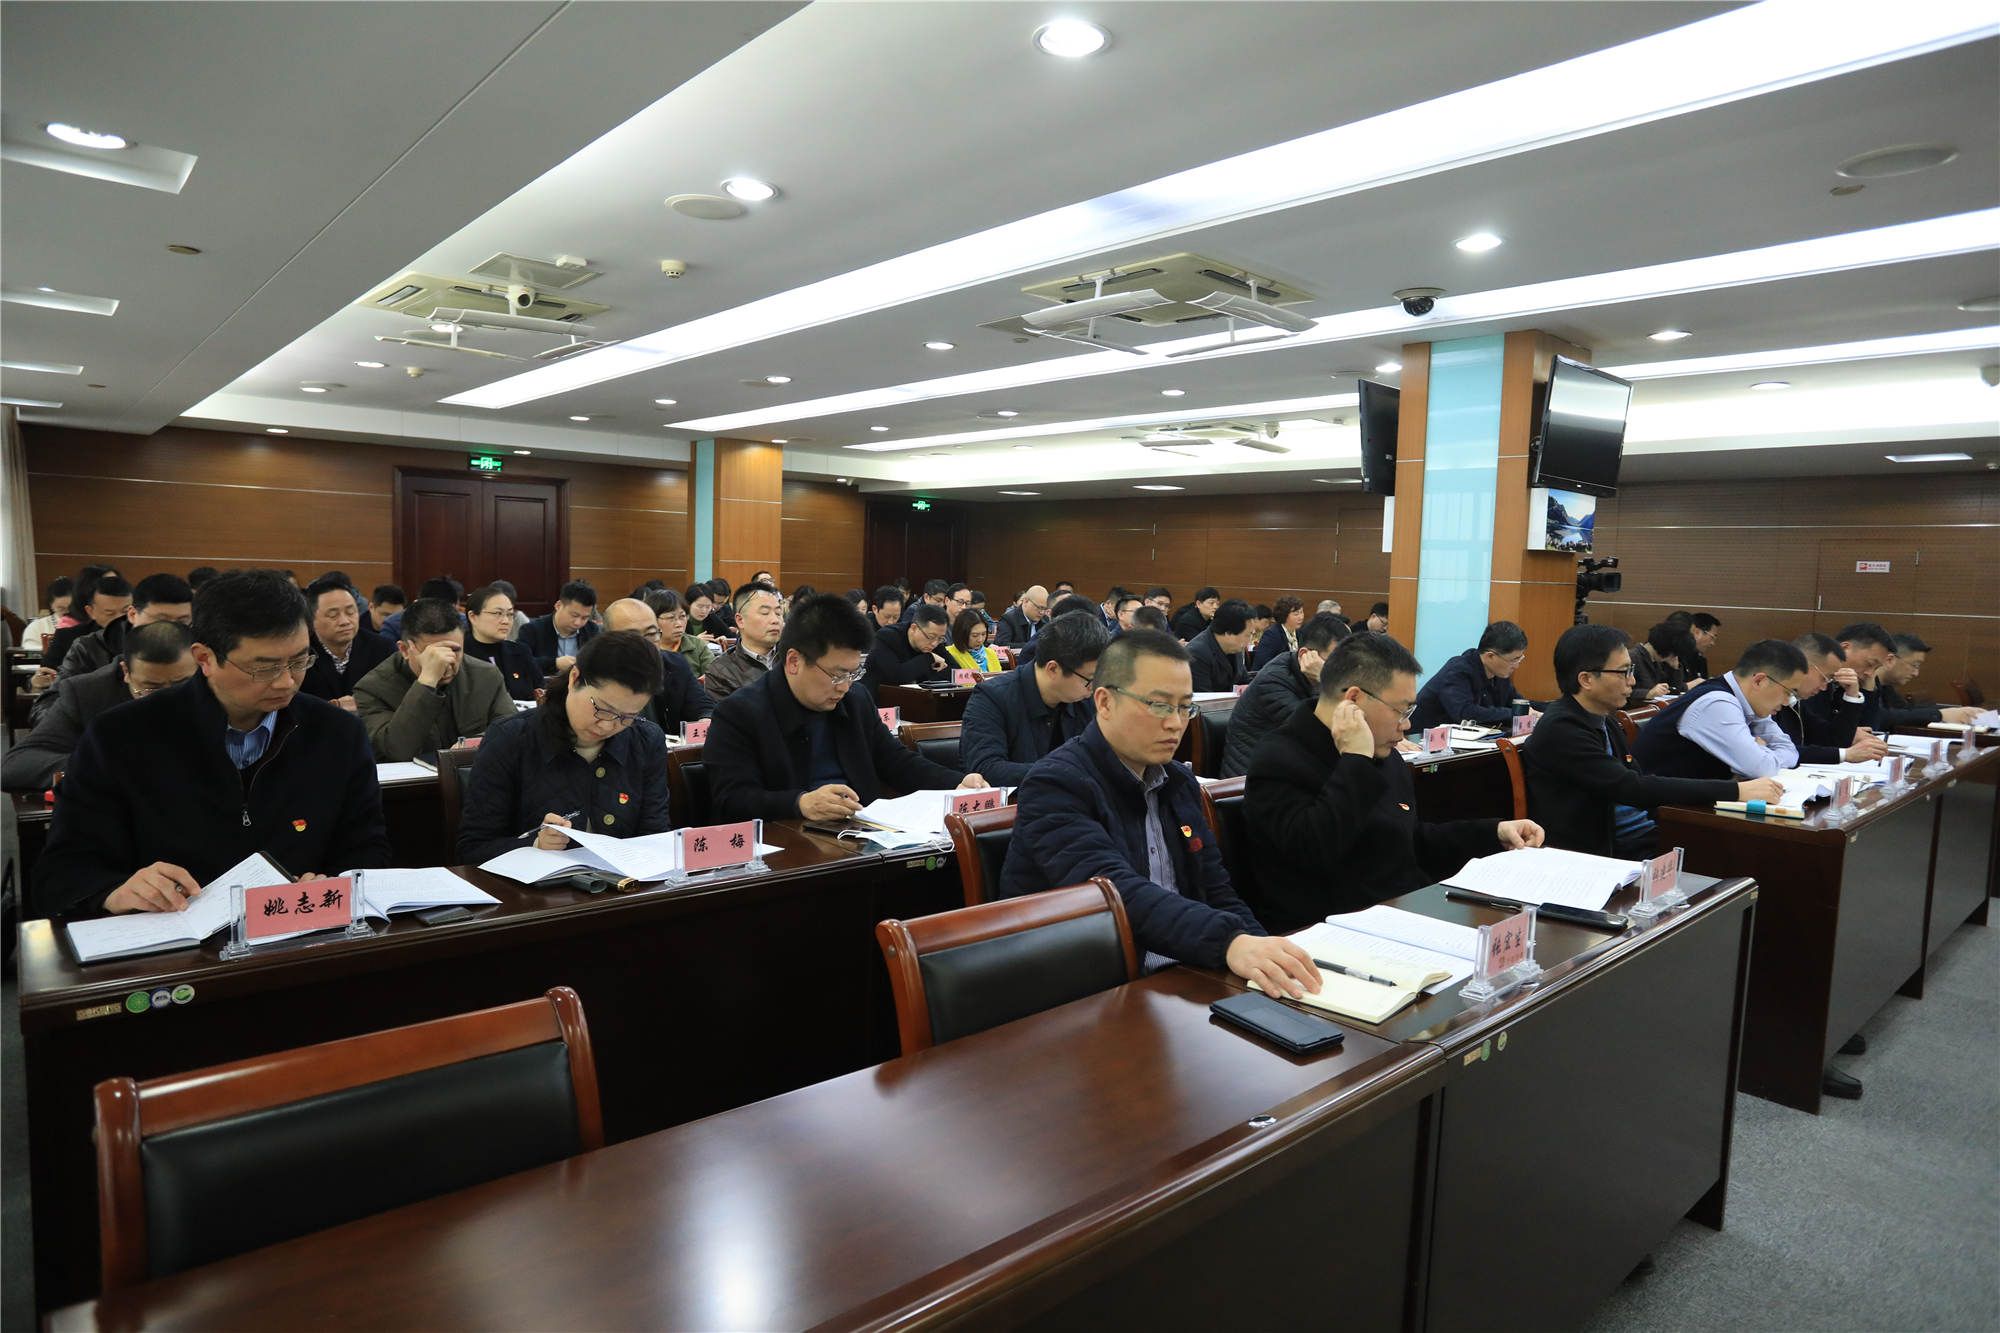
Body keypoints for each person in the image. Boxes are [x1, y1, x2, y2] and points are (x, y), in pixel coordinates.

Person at [30, 569, 389, 919]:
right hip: (174, 940)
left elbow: (367, 849)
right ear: (204, 658)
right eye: (264, 668)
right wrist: (114, 891)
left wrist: (335, 881)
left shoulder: (338, 733)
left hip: (301, 933)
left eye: (298, 661)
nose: (286, 682)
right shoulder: (120, 736)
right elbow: (62, 871)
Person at [997, 630, 1320, 997]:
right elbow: (1116, 895)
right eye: (1160, 705)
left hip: (1180, 974)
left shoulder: (1178, 781)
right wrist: (1229, 942)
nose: (1176, 723)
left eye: (1184, 707)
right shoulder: (1056, 784)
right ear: (1104, 702)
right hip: (1085, 990)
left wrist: (1265, 956)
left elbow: (1215, 890)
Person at [1239, 633, 1542, 934]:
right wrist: (1355, 760)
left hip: (1400, 913)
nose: (1407, 724)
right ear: (1354, 699)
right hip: (1330, 930)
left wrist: (1493, 833)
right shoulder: (1280, 758)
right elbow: (1314, 854)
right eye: (1401, 710)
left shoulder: (1382, 753)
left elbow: (1404, 841)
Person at [704, 593, 984, 822]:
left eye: (853, 673)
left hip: (861, 833)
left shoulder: (856, 699)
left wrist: (956, 784)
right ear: (794, 662)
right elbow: (731, 799)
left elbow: (896, 761)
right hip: (787, 845)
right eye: (837, 674)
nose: (845, 686)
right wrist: (800, 803)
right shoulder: (739, 713)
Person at [1520, 625, 1779, 859]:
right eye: (1623, 672)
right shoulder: (1562, 729)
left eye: (1631, 670)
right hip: (1600, 854)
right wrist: (1735, 791)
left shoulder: (1604, 719)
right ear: (1586, 679)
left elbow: (1640, 779)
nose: (1632, 681)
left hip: (1643, 835)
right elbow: (1631, 787)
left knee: (1747, 847)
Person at [455, 631, 673, 864]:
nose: (608, 725)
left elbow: (654, 838)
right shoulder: (511, 738)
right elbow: (472, 849)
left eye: (627, 717)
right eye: (602, 709)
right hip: (537, 885)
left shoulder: (646, 740)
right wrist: (534, 845)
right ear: (575, 679)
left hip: (622, 882)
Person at [3, 623, 197, 792]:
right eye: (151, 688)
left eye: (181, 684)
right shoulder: (89, 693)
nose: (168, 699)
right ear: (126, 671)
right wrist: (110, 767)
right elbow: (16, 766)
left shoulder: (212, 684)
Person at [354, 598, 516, 760]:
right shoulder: (373, 688)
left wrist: (472, 745)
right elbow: (396, 750)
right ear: (404, 649)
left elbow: (512, 733)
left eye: (455, 650)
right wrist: (427, 682)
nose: (447, 662)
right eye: (433, 654)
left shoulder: (485, 676)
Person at [960, 611, 1107, 785]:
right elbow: (986, 769)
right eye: (1090, 680)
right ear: (1053, 669)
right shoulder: (991, 698)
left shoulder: (1085, 698)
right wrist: (1066, 772)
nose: (1095, 688)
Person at [1630, 639, 1809, 780]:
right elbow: (1761, 769)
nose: (1788, 702)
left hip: (1688, 802)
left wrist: (1761, 751)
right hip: (1657, 809)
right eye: (1788, 692)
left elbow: (1790, 750)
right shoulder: (1717, 703)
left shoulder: (1751, 703)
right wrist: (1761, 752)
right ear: (1759, 681)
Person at [1221, 612, 1345, 778]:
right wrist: (1324, 680)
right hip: (1252, 780)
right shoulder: (1273, 682)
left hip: (1292, 768)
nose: (1342, 670)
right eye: (1335, 662)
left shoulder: (1303, 673)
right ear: (1305, 655)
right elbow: (1317, 733)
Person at [55, 572, 193, 687]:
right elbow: (51, 702)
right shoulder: (88, 648)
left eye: (182, 621)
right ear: (132, 614)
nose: (172, 628)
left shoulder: (196, 648)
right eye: (161, 620)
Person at [601, 597, 715, 734]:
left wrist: (705, 719)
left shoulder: (674, 664)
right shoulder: (595, 674)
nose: (645, 644)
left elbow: (702, 705)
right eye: (633, 637)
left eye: (651, 634)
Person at [1772, 634, 1888, 765]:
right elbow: (1778, 752)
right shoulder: (1767, 701)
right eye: (1824, 678)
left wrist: (1852, 696)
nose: (1824, 687)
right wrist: (1845, 754)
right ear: (1803, 666)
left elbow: (1834, 739)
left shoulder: (1795, 702)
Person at [1408, 621, 1533, 731]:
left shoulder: (1500, 674)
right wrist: (1517, 713)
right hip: (1422, 740)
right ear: (1490, 656)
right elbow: (1465, 713)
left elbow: (1517, 704)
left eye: (1519, 659)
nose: (1516, 666)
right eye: (1513, 660)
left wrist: (1539, 713)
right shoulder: (1457, 671)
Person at [300, 574, 393, 711]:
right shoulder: (300, 654)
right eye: (333, 615)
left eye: (350, 612)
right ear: (311, 619)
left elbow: (394, 698)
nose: (345, 621)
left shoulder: (383, 649)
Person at [1797, 621, 1894, 753]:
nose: (1870, 672)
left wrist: (1867, 688)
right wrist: (1847, 734)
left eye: (1877, 668)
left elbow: (1869, 731)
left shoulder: (1850, 682)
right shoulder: (1812, 679)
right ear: (1845, 648)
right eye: (1870, 663)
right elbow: (1810, 735)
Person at [37, 571, 132, 674]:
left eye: (125, 611)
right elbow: (45, 673)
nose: (119, 618)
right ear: (91, 612)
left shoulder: (142, 636)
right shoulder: (68, 637)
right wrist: (39, 679)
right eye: (110, 613)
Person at [460, 584, 542, 702]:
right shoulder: (460, 654)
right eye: (498, 613)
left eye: (510, 614)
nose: (505, 621)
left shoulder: (521, 651)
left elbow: (540, 690)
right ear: (473, 617)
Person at [1878, 633, 1980, 728]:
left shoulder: (1885, 687)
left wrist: (1958, 712)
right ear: (1890, 659)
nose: (1916, 673)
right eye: (1914, 665)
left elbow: (1906, 710)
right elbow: (1882, 717)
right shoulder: (1869, 684)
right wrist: (1940, 715)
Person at [704, 582, 785, 700]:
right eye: (765, 613)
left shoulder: (795, 658)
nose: (775, 620)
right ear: (740, 620)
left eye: (778, 613)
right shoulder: (721, 670)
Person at [866, 603, 951, 692]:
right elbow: (896, 676)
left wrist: (918, 676)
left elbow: (955, 672)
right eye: (931, 637)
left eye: (940, 638)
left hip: (914, 697)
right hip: (877, 696)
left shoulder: (935, 641)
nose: (934, 644)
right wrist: (929, 658)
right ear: (914, 628)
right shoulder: (886, 637)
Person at [520, 581, 601, 675]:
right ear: (558, 605)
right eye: (574, 615)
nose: (578, 622)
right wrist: (555, 663)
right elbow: (520, 662)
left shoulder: (592, 630)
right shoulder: (532, 629)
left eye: (584, 618)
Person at [1183, 598, 1253, 692]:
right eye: (1247, 635)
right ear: (1228, 633)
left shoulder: (1234, 647)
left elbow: (1244, 680)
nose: (1249, 641)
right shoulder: (1196, 654)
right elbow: (1203, 697)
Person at [1627, 622, 1693, 706]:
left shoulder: (1658, 661)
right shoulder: (1632, 658)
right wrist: (1647, 693)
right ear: (1667, 648)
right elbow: (1618, 692)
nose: (1674, 657)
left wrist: (1675, 668)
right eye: (1674, 654)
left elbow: (1675, 690)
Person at [377, 577, 462, 642]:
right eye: (432, 613)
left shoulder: (463, 621)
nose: (437, 619)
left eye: (445, 613)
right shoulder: (393, 624)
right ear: (416, 605)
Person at [1249, 596, 1305, 671]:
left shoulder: (1300, 632)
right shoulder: (1272, 634)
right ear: (1284, 615)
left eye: (1301, 612)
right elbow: (1265, 663)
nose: (1301, 617)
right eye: (1296, 614)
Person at [19, 577, 73, 653]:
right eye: (61, 609)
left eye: (72, 607)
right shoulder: (36, 627)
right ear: (51, 606)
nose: (68, 612)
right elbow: (29, 650)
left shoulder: (87, 623)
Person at [944, 608, 1004, 673]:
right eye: (975, 635)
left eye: (983, 634)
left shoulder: (991, 653)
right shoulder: (949, 654)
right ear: (961, 634)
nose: (980, 640)